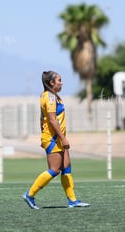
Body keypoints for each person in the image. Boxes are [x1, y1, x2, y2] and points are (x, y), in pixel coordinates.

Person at [23, 71, 90, 209]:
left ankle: (72, 200)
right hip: (54, 138)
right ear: (51, 83)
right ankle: (29, 195)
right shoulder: (50, 97)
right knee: (54, 169)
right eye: (59, 80)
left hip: (56, 137)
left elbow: (42, 118)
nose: (62, 82)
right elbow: (52, 120)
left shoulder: (52, 96)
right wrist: (62, 138)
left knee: (66, 167)